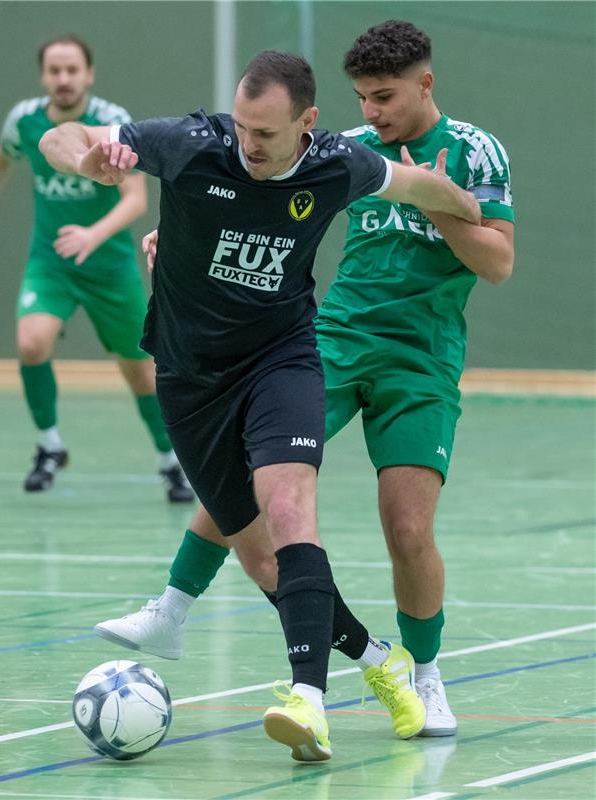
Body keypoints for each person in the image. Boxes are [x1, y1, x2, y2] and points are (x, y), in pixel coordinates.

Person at [39, 49, 480, 761]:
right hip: (187, 376)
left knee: (287, 509)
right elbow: (61, 140)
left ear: (306, 123)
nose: (249, 143)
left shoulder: (338, 164)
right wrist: (90, 156)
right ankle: (378, 661)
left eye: (266, 133)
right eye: (242, 127)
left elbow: (417, 187)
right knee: (263, 562)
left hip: (282, 361)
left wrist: (471, 211)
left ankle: (307, 698)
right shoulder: (189, 144)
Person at [0, 35, 193, 502]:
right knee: (31, 342)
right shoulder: (24, 120)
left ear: (89, 74)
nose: (63, 79)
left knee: (140, 372)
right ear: (44, 76)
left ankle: (170, 462)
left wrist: (92, 235)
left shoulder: (111, 122)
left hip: (109, 266)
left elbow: (135, 199)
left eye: (72, 70)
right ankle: (49, 446)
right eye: (54, 70)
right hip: (52, 261)